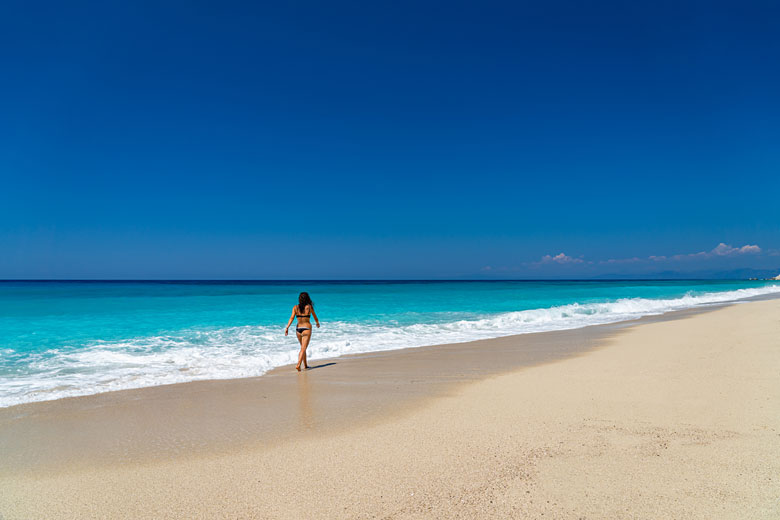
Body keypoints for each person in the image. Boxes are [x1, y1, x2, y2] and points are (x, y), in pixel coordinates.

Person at [285, 292, 320, 371]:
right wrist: (317, 323)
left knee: (302, 348)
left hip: (298, 329)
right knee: (303, 348)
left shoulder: (295, 307)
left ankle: (306, 365)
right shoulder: (309, 307)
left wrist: (287, 327)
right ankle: (298, 365)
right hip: (307, 328)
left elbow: (291, 318)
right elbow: (315, 317)